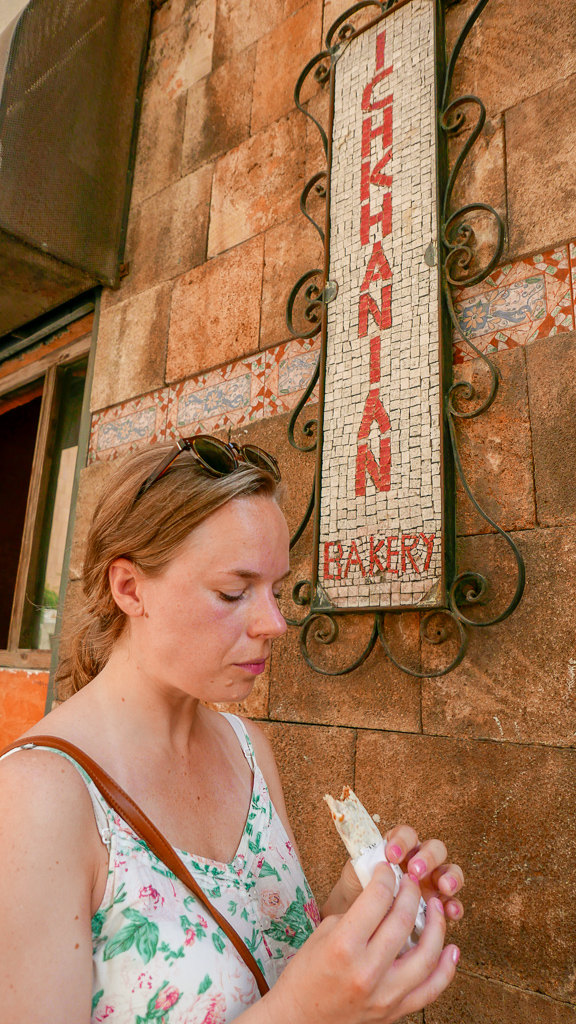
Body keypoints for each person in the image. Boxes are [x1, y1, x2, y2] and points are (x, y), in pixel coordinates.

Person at [0, 436, 464, 1024]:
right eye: (233, 592)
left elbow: (262, 973)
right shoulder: (36, 798)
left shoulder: (250, 749)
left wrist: (356, 917)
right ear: (129, 587)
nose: (273, 623)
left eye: (275, 590)